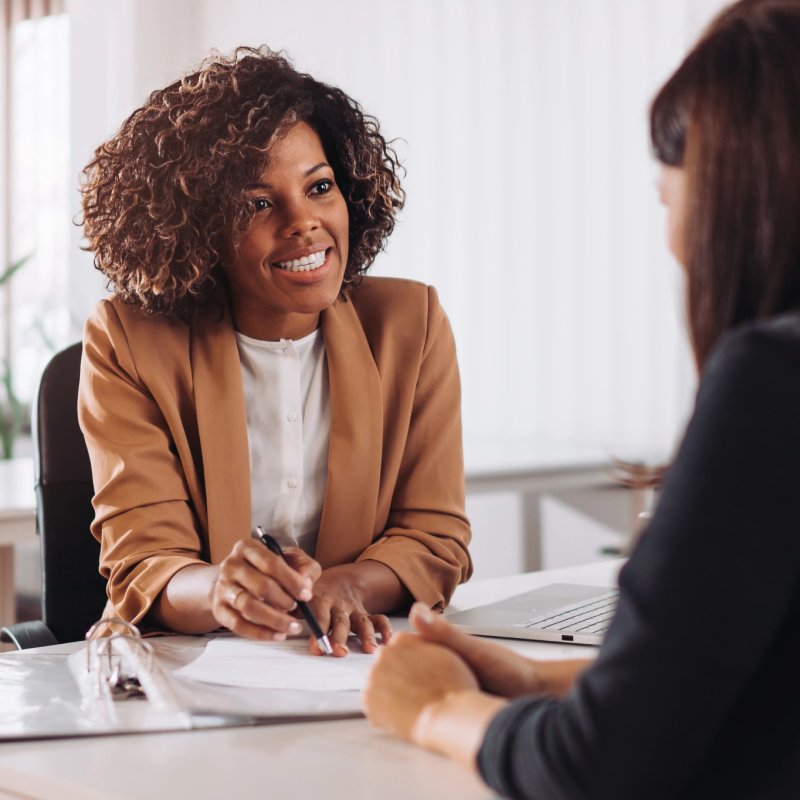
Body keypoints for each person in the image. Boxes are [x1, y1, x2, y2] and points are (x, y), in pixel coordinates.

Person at [363, 0, 800, 795]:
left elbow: (601, 770)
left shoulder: (772, 381)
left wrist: (437, 710)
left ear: (737, 178)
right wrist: (542, 684)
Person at [78, 47, 471, 657]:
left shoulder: (409, 325)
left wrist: (348, 585)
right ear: (199, 227)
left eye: (320, 187)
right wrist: (221, 592)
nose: (304, 222)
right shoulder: (128, 340)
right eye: (259, 203)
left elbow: (434, 536)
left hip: (350, 665)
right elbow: (145, 561)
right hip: (185, 673)